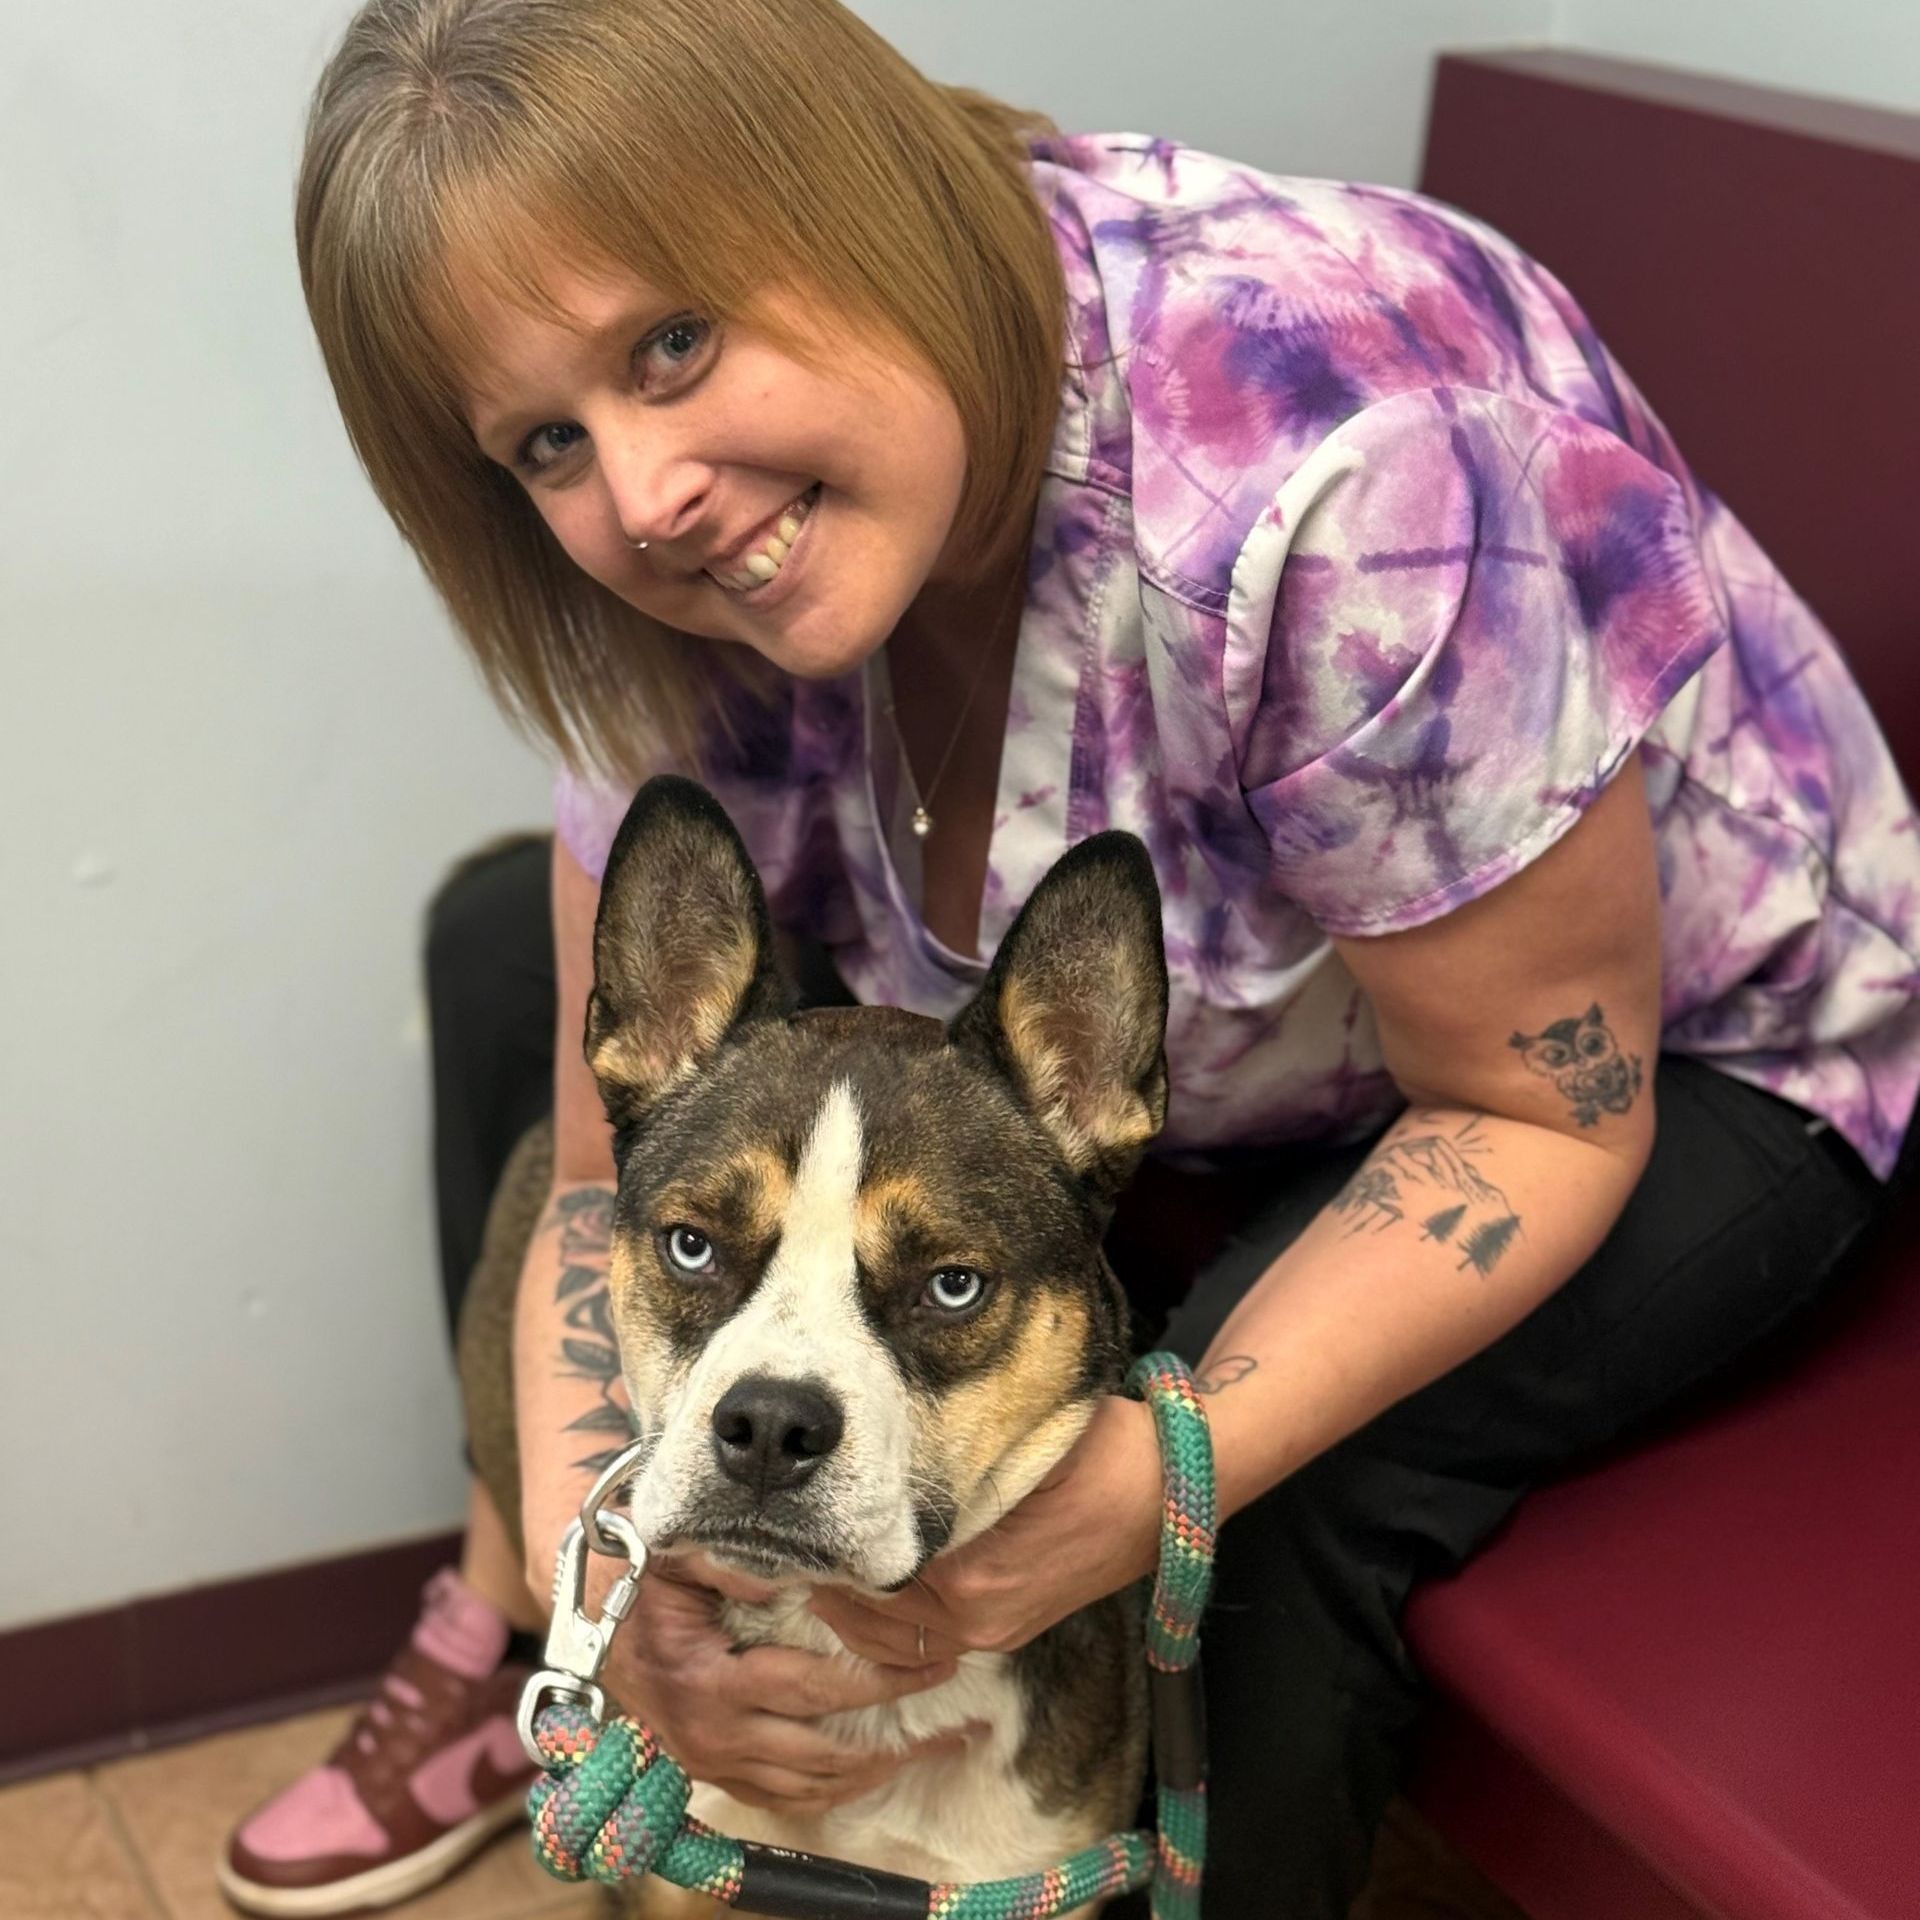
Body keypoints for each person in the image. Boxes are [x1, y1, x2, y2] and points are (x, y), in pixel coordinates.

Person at [224, 1, 1920, 1914]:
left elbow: (1539, 1112)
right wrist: (599, 1575)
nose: (643, 495)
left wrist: (1155, 1479)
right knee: (496, 949)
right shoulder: (675, 559)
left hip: (1658, 1068)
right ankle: (502, 1629)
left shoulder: (1340, 461)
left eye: (672, 343)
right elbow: (605, 1184)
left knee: (1277, 1494)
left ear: (849, 198)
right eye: (549, 440)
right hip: (1236, 1039)